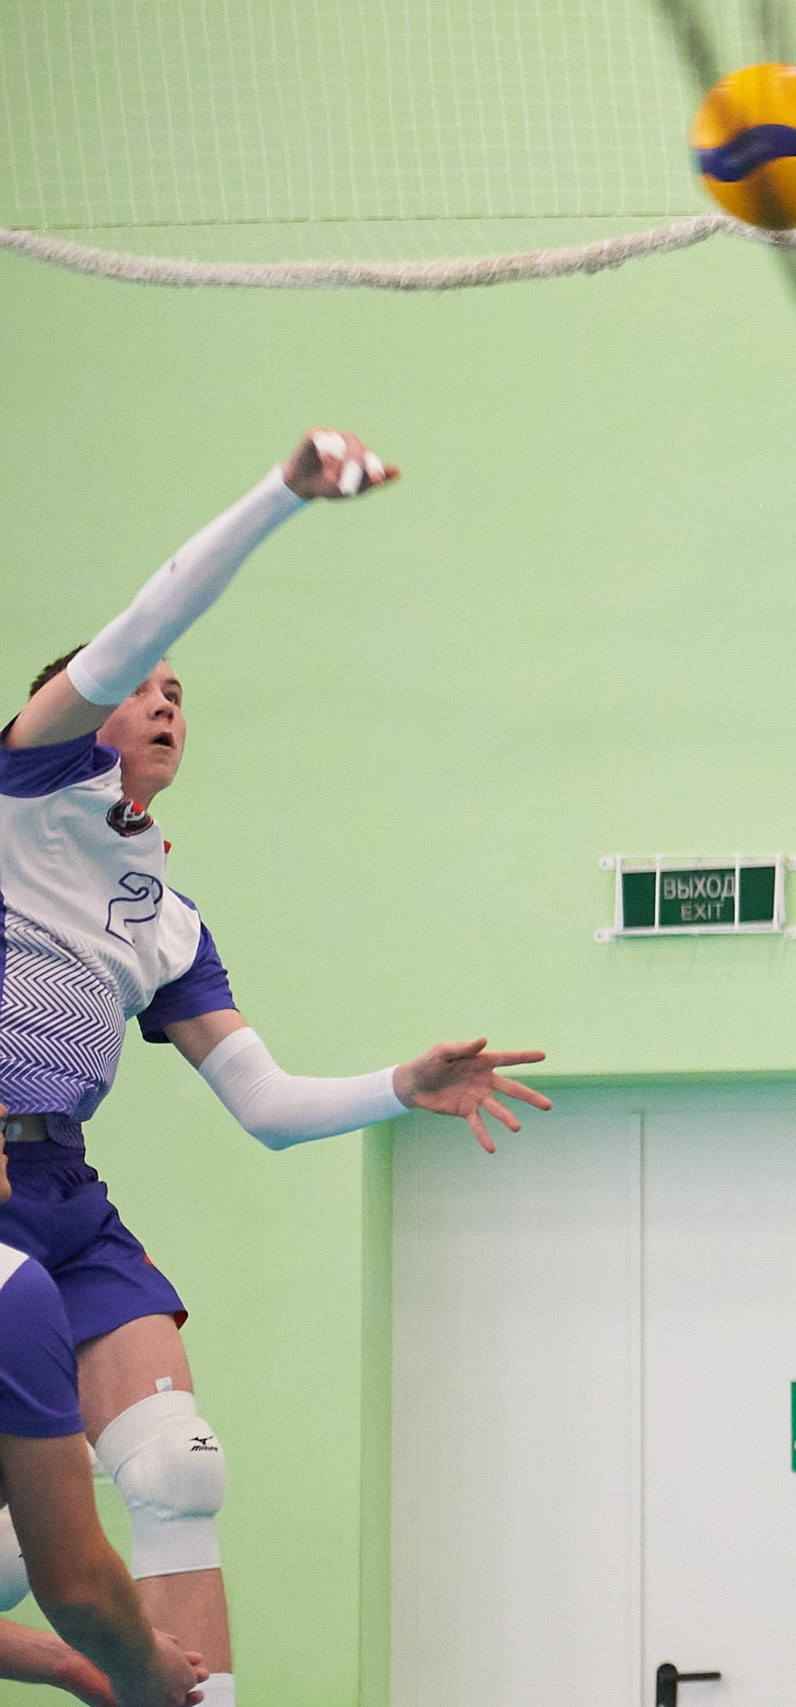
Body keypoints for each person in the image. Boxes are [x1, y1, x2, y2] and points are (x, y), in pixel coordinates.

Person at [0, 430, 553, 1706]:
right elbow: (149, 613)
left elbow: (263, 1103)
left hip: (66, 1208)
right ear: (84, 709)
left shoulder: (166, 918)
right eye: (148, 685)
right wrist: (281, 499)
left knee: (180, 1465)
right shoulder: (26, 791)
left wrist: (397, 1089)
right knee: (22, 1568)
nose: (167, 698)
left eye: (184, 694)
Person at [0, 1111, 208, 1707]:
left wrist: (72, 1664)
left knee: (179, 1467)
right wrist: (141, 1667)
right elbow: (77, 1588)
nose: (9, 1110)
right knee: (23, 1546)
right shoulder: (14, 1293)